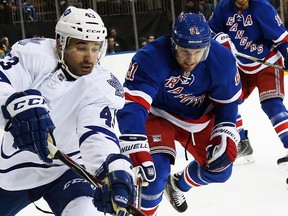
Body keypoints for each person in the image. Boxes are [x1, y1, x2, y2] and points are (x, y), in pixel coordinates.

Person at [0, 6, 136, 216]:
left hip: (69, 169)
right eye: (81, 47)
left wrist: (113, 167)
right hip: (16, 169)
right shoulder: (33, 54)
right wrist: (17, 104)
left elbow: (97, 133)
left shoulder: (103, 84)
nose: (89, 58)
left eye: (95, 48)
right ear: (59, 43)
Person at [117, 12, 242, 215]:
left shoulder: (222, 59)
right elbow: (134, 105)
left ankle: (178, 184)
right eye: (184, 51)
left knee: (221, 171)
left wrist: (226, 132)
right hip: (158, 116)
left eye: (198, 51)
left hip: (200, 120)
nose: (190, 59)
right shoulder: (150, 57)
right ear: (173, 43)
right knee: (155, 176)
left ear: (208, 46)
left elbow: (227, 104)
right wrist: (135, 141)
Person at [208, 0, 288, 165]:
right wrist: (219, 38)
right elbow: (209, 31)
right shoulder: (223, 7)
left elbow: (281, 38)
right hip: (242, 66)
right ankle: (241, 142)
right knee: (225, 101)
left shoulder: (262, 8)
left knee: (272, 104)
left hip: (267, 62)